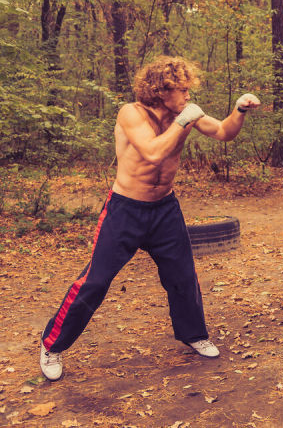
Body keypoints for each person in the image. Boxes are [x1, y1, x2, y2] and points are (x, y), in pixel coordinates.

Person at [39, 56, 261, 381]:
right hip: (125, 210)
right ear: (161, 90)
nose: (187, 96)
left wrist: (239, 110)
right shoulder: (132, 113)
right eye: (181, 90)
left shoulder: (182, 114)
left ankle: (193, 334)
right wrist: (184, 120)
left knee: (182, 276)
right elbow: (154, 152)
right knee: (96, 281)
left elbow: (225, 132)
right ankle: (51, 345)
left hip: (165, 210)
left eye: (188, 90)